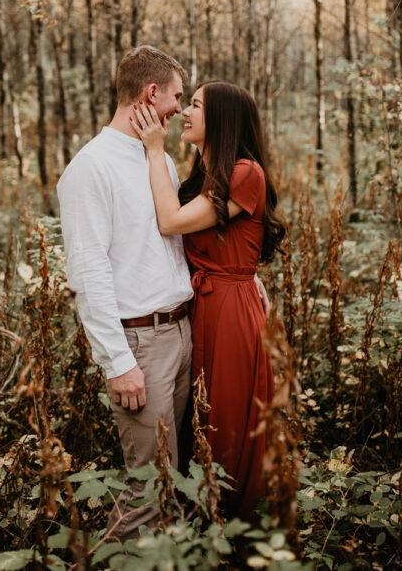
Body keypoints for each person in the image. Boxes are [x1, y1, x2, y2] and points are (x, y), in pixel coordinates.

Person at [56, 45, 194, 541]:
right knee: (148, 490)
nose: (181, 108)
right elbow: (88, 272)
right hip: (140, 345)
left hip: (181, 333)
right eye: (177, 96)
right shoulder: (91, 168)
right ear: (150, 93)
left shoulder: (161, 160)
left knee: (175, 480)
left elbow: (173, 245)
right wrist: (118, 362)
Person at [131, 81, 285, 520]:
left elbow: (170, 222)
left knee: (228, 418)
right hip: (205, 304)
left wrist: (153, 149)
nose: (185, 112)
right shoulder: (207, 175)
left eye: (195, 105)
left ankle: (235, 521)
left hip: (231, 312)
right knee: (200, 414)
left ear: (221, 118)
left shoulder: (245, 172)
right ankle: (201, 514)